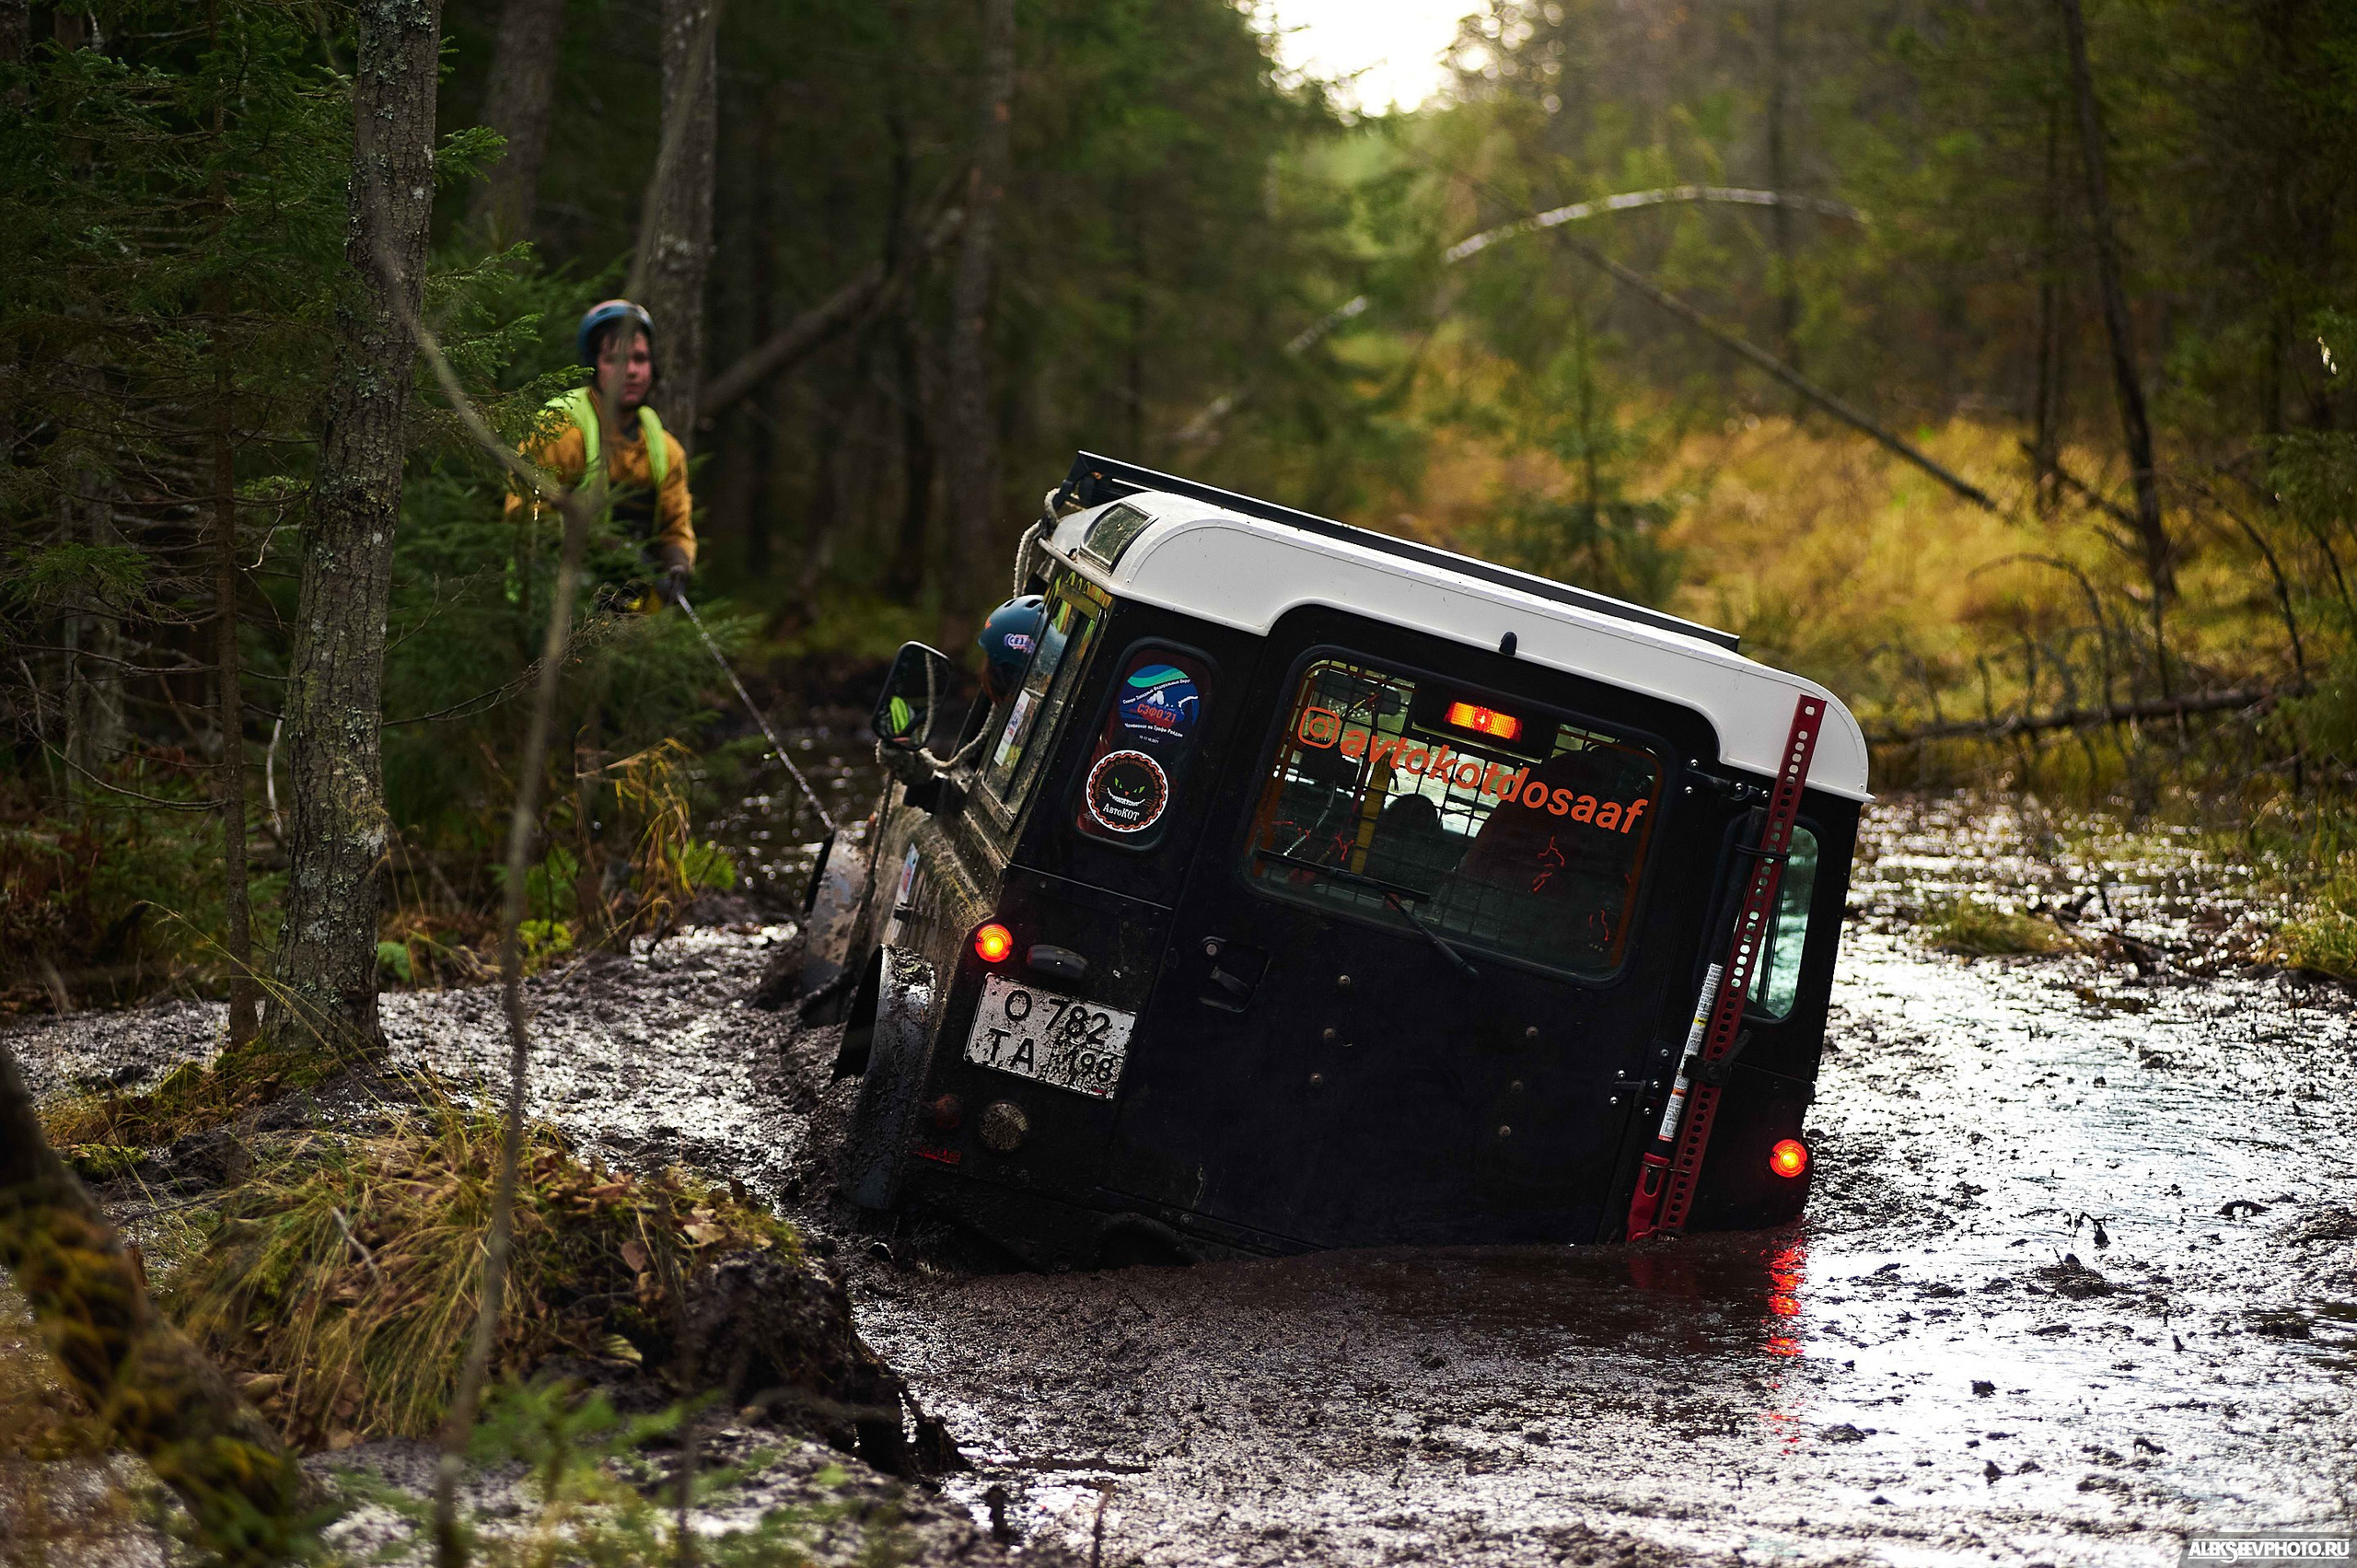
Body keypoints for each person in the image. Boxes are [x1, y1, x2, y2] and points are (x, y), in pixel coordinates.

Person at [506, 299, 696, 608]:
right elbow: (525, 512)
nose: (631, 371)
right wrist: (604, 544)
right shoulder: (560, 427)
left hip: (630, 615)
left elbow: (676, 527)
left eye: (639, 358)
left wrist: (678, 564)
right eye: (615, 359)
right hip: (552, 608)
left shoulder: (666, 449)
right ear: (593, 365)